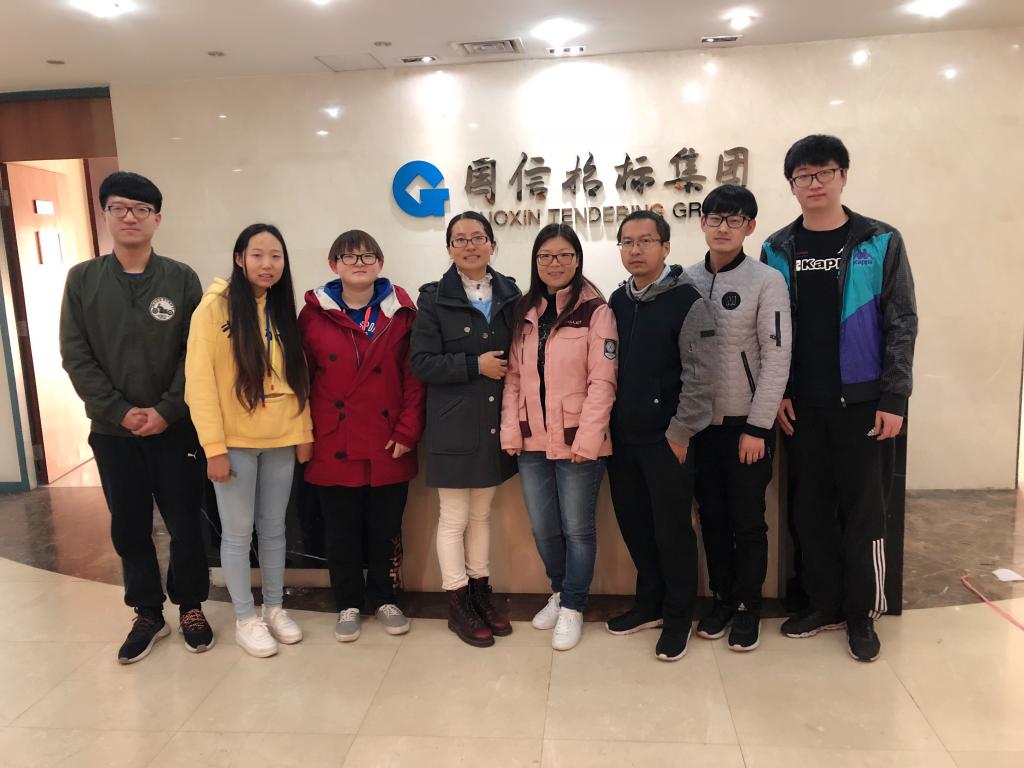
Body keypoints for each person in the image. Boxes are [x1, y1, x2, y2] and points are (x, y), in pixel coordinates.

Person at [761, 134, 918, 662]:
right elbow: (771, 330)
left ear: (843, 176)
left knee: (864, 513)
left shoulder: (880, 241)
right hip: (802, 405)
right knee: (810, 511)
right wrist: (780, 391)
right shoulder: (778, 247)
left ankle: (861, 613)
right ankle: (823, 604)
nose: (814, 183)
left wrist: (894, 396)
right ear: (791, 185)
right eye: (803, 176)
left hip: (865, 402)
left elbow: (902, 321)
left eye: (823, 172)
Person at [60, 171, 213, 664]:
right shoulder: (83, 280)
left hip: (175, 430)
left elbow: (197, 354)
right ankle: (147, 612)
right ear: (105, 214)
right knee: (129, 526)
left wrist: (167, 410)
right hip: (113, 433)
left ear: (157, 219)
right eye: (119, 207)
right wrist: (121, 412)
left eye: (141, 209)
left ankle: (190, 605)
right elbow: (75, 355)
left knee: (186, 523)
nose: (130, 217)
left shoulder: (181, 278)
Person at [184, 223, 312, 658]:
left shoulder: (280, 307)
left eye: (276, 256)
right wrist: (214, 448)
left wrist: (303, 432)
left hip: (280, 438)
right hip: (234, 443)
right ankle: (245, 617)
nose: (267, 264)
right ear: (239, 259)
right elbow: (199, 384)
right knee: (238, 534)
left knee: (275, 529)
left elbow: (297, 376)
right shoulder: (213, 309)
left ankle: (274, 608)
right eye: (257, 254)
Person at [298, 229, 424, 642]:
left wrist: (408, 430)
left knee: (385, 528)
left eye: (368, 256)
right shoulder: (313, 314)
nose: (359, 263)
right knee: (341, 531)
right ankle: (348, 602)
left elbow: (413, 378)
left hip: (388, 438)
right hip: (333, 437)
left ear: (380, 264)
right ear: (333, 264)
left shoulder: (401, 312)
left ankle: (384, 597)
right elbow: (301, 379)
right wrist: (304, 433)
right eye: (349, 257)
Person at [604, 210, 718, 662]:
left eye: (646, 241)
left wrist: (680, 433)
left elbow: (701, 377)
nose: (636, 250)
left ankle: (677, 617)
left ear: (666, 247)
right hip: (623, 440)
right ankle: (648, 604)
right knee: (635, 526)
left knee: (673, 532)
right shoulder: (617, 300)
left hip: (667, 441)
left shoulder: (687, 301)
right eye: (628, 242)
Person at [500, 224, 617, 651]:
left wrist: (588, 439)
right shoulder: (524, 310)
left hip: (578, 441)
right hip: (532, 439)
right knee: (544, 527)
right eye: (545, 256)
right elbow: (514, 377)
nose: (555, 263)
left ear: (577, 259)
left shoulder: (596, 311)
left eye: (564, 255)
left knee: (577, 529)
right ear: (535, 262)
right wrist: (511, 429)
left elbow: (603, 382)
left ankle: (573, 605)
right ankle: (559, 590)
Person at [686, 185, 791, 652]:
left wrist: (757, 427)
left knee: (748, 520)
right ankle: (723, 599)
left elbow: (777, 357)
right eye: (715, 218)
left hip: (746, 428)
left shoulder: (767, 280)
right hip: (698, 427)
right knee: (710, 517)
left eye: (734, 220)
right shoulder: (685, 279)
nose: (723, 228)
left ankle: (749, 606)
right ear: (702, 223)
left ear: (750, 227)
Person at [410, 211, 521, 648]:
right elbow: (421, 363)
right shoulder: (433, 299)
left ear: (492, 243)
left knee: (481, 515)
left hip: (496, 423)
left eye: (478, 237)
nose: (470, 245)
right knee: (454, 517)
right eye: (460, 239)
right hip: (453, 425)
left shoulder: (512, 293)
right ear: (449, 249)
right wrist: (474, 365)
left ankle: (480, 592)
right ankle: (457, 601)